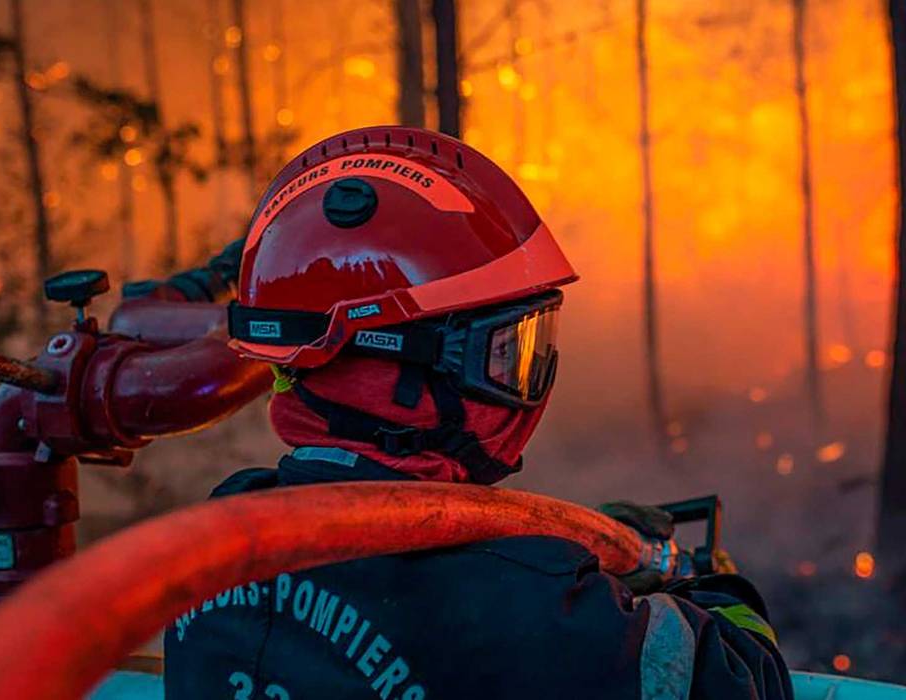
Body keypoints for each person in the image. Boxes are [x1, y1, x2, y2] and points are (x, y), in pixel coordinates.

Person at [163, 126, 793, 700]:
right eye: (508, 351)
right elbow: (747, 679)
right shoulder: (527, 609)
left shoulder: (207, 552)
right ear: (406, 368)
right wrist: (709, 584)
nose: (525, 379)